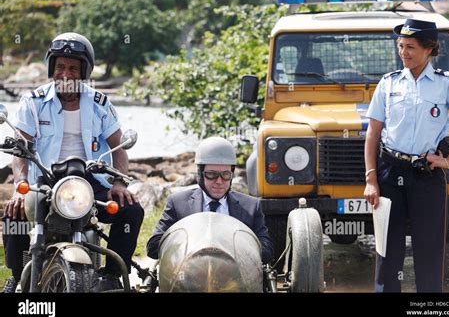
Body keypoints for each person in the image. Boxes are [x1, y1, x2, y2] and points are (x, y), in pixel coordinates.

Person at [2, 32, 144, 292]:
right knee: (14, 213)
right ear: (51, 68)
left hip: (88, 179)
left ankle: (112, 275)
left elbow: (118, 147)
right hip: (45, 179)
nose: (65, 74)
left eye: (73, 69)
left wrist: (120, 183)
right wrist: (20, 184)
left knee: (131, 211)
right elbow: (21, 149)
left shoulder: (100, 104)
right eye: (60, 67)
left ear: (84, 71)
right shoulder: (32, 102)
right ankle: (16, 275)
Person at [364, 19, 449, 292]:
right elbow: (373, 133)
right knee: (388, 252)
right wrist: (371, 179)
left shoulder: (446, 84)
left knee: (429, 251)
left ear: (429, 49)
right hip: (390, 173)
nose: (403, 52)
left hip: (427, 176)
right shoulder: (388, 83)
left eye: (410, 47)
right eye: (401, 46)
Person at [147, 136, 273, 264]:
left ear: (232, 174)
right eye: (212, 174)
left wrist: (239, 246)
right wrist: (187, 243)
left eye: (225, 175)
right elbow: (153, 247)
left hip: (236, 279)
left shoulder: (251, 206)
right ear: (200, 174)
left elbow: (267, 251)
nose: (219, 181)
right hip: (189, 277)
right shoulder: (178, 203)